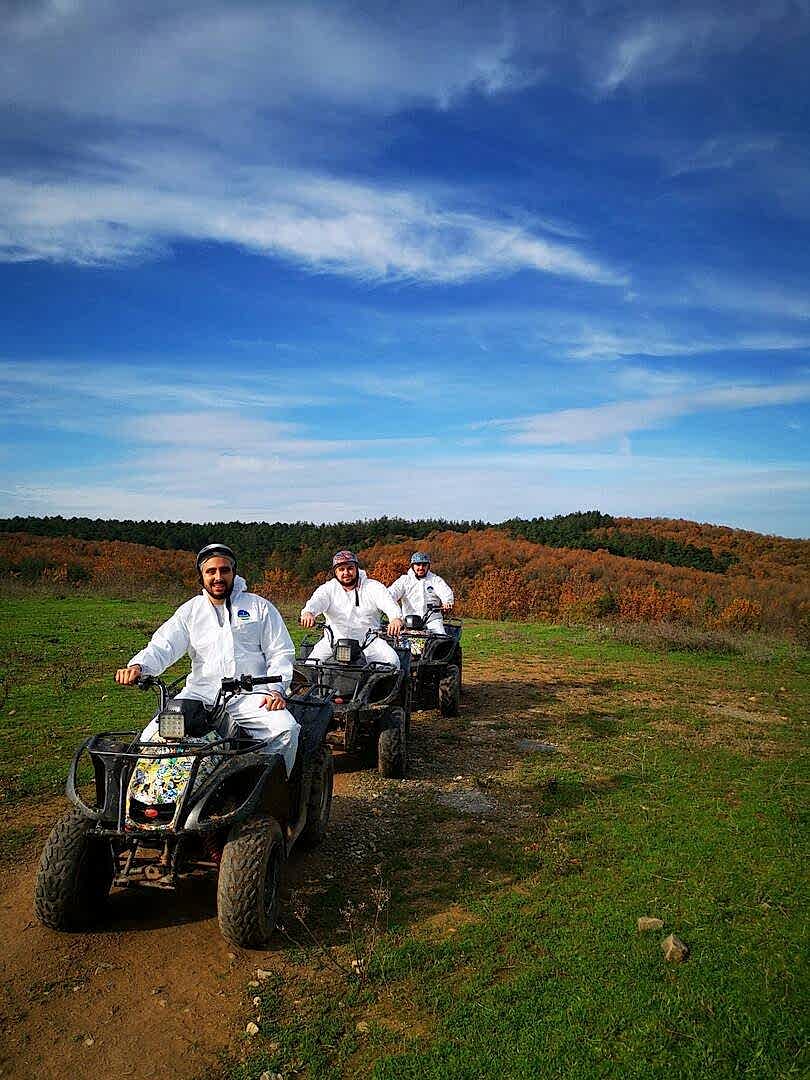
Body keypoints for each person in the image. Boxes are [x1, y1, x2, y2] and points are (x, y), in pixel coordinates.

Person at [115, 543, 299, 775]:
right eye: (210, 571)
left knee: (286, 730)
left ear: (234, 572)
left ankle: (270, 795)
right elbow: (164, 645)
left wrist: (276, 690)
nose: (218, 577)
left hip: (251, 696)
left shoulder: (259, 607)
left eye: (224, 570)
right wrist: (139, 666)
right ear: (201, 576)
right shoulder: (190, 611)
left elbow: (280, 652)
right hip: (199, 696)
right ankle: (152, 804)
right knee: (149, 739)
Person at [300, 550, 403, 666]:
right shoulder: (328, 588)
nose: (346, 573)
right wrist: (308, 612)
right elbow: (317, 600)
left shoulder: (372, 586)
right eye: (341, 569)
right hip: (333, 642)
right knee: (310, 666)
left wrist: (395, 618)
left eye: (350, 568)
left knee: (392, 662)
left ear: (356, 568)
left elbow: (388, 602)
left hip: (368, 642)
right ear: (335, 572)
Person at [388, 551, 454, 634]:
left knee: (440, 639)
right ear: (412, 566)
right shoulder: (404, 580)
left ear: (428, 566)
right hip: (409, 621)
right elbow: (391, 594)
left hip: (432, 620)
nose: (421, 568)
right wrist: (388, 608)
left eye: (424, 565)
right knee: (402, 643)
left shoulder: (435, 580)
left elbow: (445, 591)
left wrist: (447, 602)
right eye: (418, 564)